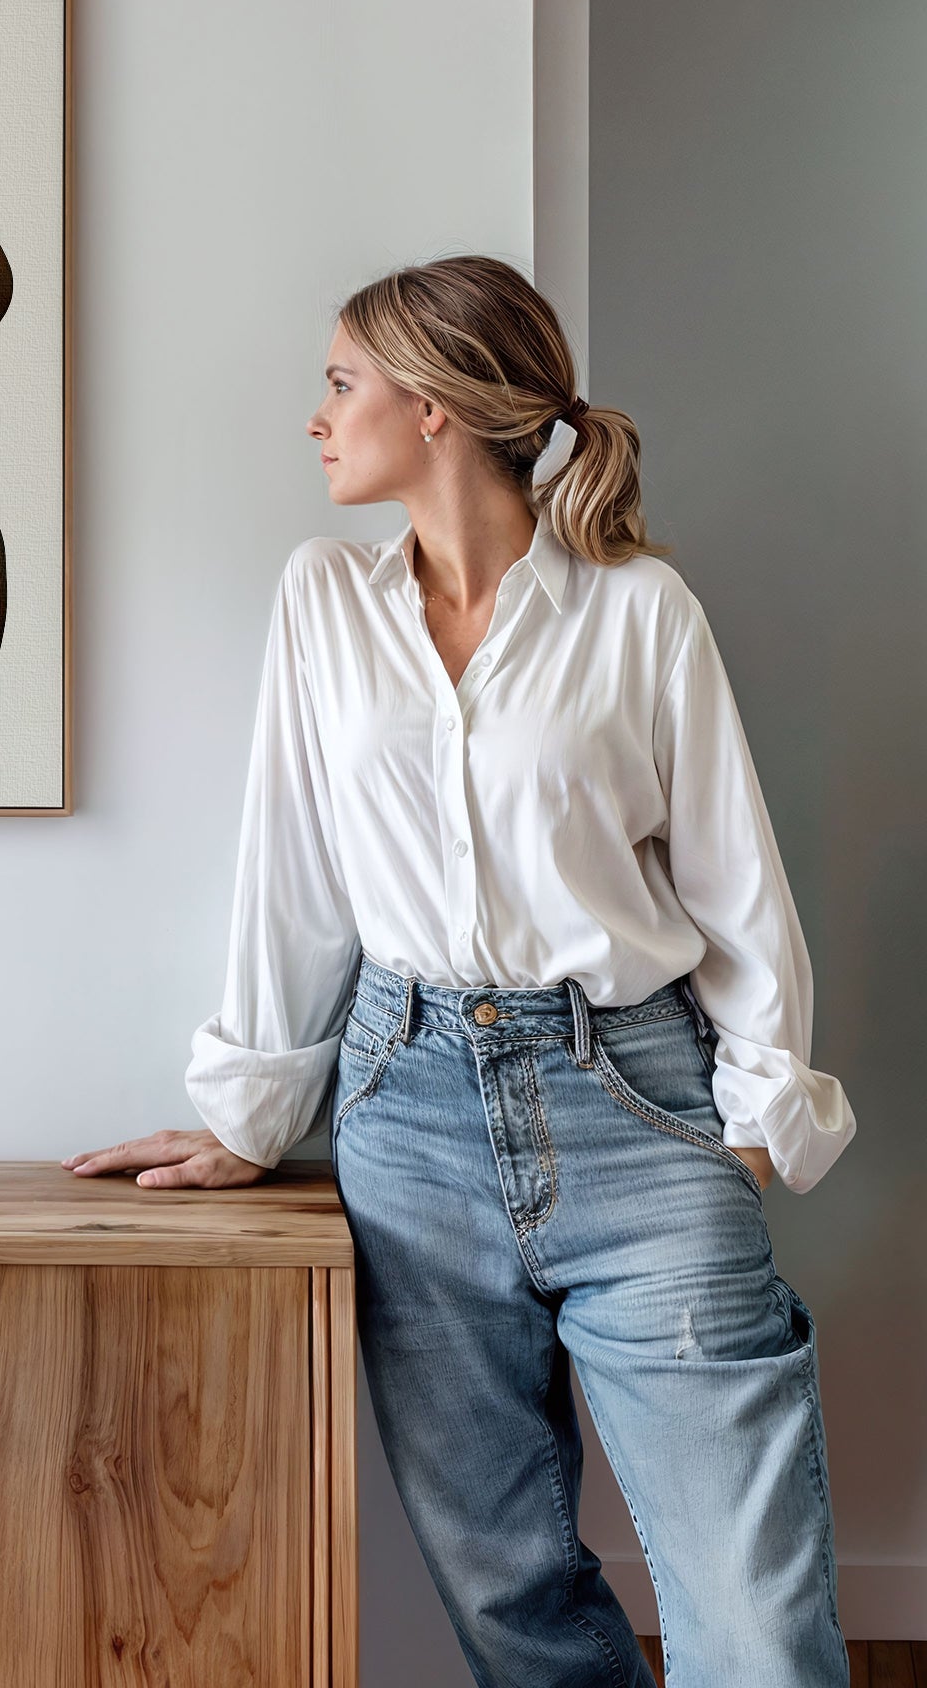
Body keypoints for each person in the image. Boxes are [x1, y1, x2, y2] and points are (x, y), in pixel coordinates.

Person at [63, 256, 856, 1687]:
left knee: (753, 1615)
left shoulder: (638, 612)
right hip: (406, 1112)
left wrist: (752, 1119)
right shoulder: (323, 604)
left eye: (340, 382)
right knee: (511, 1600)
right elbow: (290, 871)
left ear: (433, 409)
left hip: (638, 1100)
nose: (317, 417)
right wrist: (254, 1114)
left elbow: (737, 882)